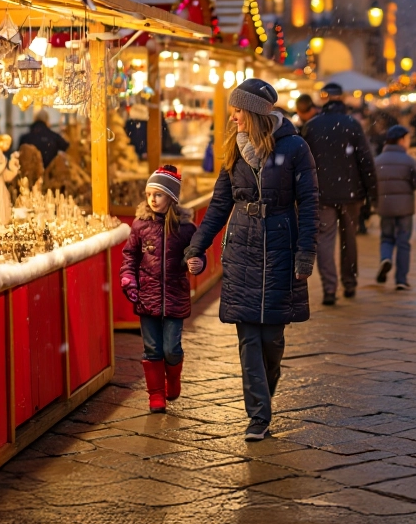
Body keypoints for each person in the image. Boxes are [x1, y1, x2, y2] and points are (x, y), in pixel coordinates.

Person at [185, 79, 318, 440]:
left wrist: (306, 253)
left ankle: (264, 395)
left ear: (256, 113)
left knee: (272, 339)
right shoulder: (233, 150)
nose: (233, 117)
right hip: (242, 245)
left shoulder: (294, 149)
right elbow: (218, 205)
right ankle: (258, 415)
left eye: (238, 110)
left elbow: (308, 204)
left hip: (281, 244)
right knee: (248, 338)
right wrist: (197, 246)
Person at [120, 165, 198, 413]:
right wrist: (128, 279)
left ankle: (173, 377)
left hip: (175, 295)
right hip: (148, 297)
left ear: (172, 197)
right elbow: (129, 257)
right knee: (152, 348)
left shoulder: (186, 228)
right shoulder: (140, 225)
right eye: (149, 194)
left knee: (171, 349)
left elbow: (195, 255)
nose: (152, 199)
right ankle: (156, 394)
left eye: (158, 194)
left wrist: (196, 262)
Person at [302, 82, 378, 305]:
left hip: (322, 193)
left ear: (323, 100)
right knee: (349, 238)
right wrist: (372, 190)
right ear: (342, 100)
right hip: (351, 193)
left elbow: (304, 161)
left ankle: (329, 288)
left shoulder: (312, 126)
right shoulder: (352, 124)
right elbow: (365, 160)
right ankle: (350, 283)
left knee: (325, 239)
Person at [374, 124, 416, 290]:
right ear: (402, 140)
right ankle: (401, 279)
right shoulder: (408, 160)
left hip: (385, 206)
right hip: (404, 208)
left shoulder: (378, 161)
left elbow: (371, 182)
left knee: (386, 237)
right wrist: (409, 187)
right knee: (403, 242)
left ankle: (386, 258)